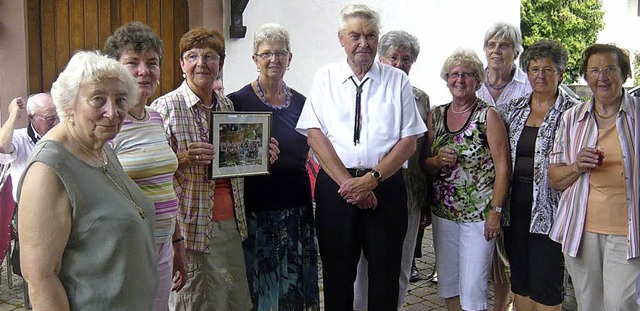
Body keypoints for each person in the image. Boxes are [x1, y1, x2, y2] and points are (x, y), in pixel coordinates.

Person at [296, 4, 427, 310]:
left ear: (377, 39)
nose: (363, 43)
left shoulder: (397, 81)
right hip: (336, 190)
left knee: (385, 278)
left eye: (370, 36)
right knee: (337, 277)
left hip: (385, 188)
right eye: (355, 35)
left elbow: (409, 141)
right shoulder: (325, 77)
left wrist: (370, 181)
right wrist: (350, 185)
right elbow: (315, 134)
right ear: (342, 39)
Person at [17, 50, 157, 310]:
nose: (112, 112)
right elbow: (41, 279)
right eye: (98, 99)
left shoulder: (101, 148)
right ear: (69, 104)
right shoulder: (48, 170)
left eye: (121, 100)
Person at [151, 27, 278, 310]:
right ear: (182, 64)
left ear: (220, 63)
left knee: (230, 301)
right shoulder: (165, 108)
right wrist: (182, 158)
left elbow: (237, 162)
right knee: (194, 302)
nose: (201, 63)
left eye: (210, 56)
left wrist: (260, 153)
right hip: (190, 226)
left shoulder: (227, 104)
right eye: (192, 56)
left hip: (230, 222)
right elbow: (152, 175)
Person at [227, 23, 319, 311]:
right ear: (254, 59)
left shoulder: (304, 103)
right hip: (258, 209)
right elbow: (227, 160)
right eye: (266, 53)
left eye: (280, 53)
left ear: (290, 59)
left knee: (295, 288)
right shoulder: (237, 102)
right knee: (262, 288)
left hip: (297, 208)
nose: (273, 59)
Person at [548, 43, 640, 311]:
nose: (602, 77)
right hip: (581, 229)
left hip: (629, 231)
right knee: (588, 304)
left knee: (620, 303)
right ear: (586, 77)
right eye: (595, 70)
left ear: (624, 74)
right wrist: (577, 166)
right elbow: (553, 178)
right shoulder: (571, 118)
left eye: (610, 69)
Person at [103, 21, 187, 311]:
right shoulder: (107, 123)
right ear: (114, 68)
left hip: (162, 247)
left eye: (152, 63)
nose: (143, 71)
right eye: (132, 63)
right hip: (126, 253)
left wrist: (177, 243)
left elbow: (163, 186)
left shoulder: (154, 118)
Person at [424, 48, 510, 311]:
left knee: (473, 287)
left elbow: (503, 168)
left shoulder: (488, 116)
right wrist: (437, 161)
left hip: (479, 217)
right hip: (444, 214)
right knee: (449, 283)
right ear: (446, 78)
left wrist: (495, 211)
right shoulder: (436, 115)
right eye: (454, 74)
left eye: (467, 74)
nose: (459, 80)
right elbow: (424, 166)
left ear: (477, 80)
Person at [353, 29, 431, 310]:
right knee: (363, 267)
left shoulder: (421, 98)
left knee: (400, 265)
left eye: (406, 59)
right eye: (393, 57)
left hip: (409, 195)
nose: (399, 64)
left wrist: (426, 203)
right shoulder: (363, 91)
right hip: (369, 191)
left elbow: (424, 151)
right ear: (381, 59)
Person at [499, 39, 579, 311]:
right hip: (515, 205)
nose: (540, 76)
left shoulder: (575, 112)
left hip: (553, 208)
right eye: (534, 69)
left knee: (547, 283)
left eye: (548, 69)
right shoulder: (512, 109)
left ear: (561, 74)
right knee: (520, 278)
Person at [476, 22, 532, 310]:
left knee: (506, 249)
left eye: (505, 45)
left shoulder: (528, 84)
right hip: (475, 181)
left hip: (515, 177)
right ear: (485, 50)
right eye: (492, 45)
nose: (497, 51)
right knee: (479, 249)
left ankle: (501, 306)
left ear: (516, 51)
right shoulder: (472, 81)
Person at [0, 93, 58, 202]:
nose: (56, 123)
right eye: (50, 119)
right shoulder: (20, 138)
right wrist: (13, 114)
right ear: (32, 117)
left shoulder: (63, 136)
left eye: (57, 117)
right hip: (28, 208)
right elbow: (2, 146)